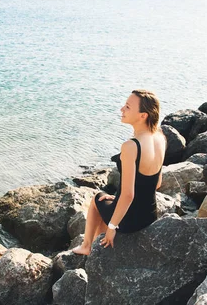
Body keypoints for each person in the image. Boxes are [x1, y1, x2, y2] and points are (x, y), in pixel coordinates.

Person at [71, 89, 166, 255]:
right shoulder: (160, 138)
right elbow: (156, 183)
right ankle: (98, 247)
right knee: (109, 204)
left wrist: (112, 227)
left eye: (128, 107)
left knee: (97, 200)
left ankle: (86, 246)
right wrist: (117, 199)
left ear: (143, 115)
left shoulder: (131, 146)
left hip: (130, 221)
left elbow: (128, 195)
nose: (122, 109)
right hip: (150, 216)